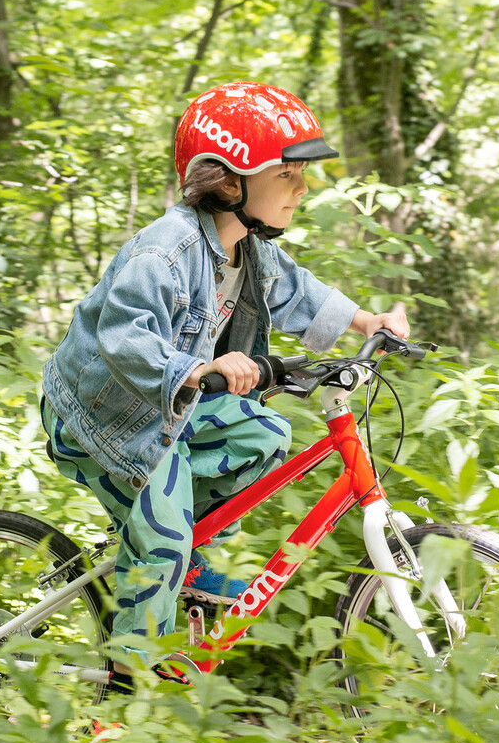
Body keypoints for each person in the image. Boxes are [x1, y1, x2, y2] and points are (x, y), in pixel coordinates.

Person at [39, 82, 409, 690]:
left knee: (262, 434)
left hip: (165, 414)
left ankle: (186, 561)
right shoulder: (167, 249)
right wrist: (198, 369)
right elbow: (124, 333)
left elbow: (301, 293)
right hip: (105, 421)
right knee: (160, 532)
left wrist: (372, 323)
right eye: (288, 175)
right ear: (229, 180)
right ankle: (127, 684)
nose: (302, 188)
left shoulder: (248, 250)